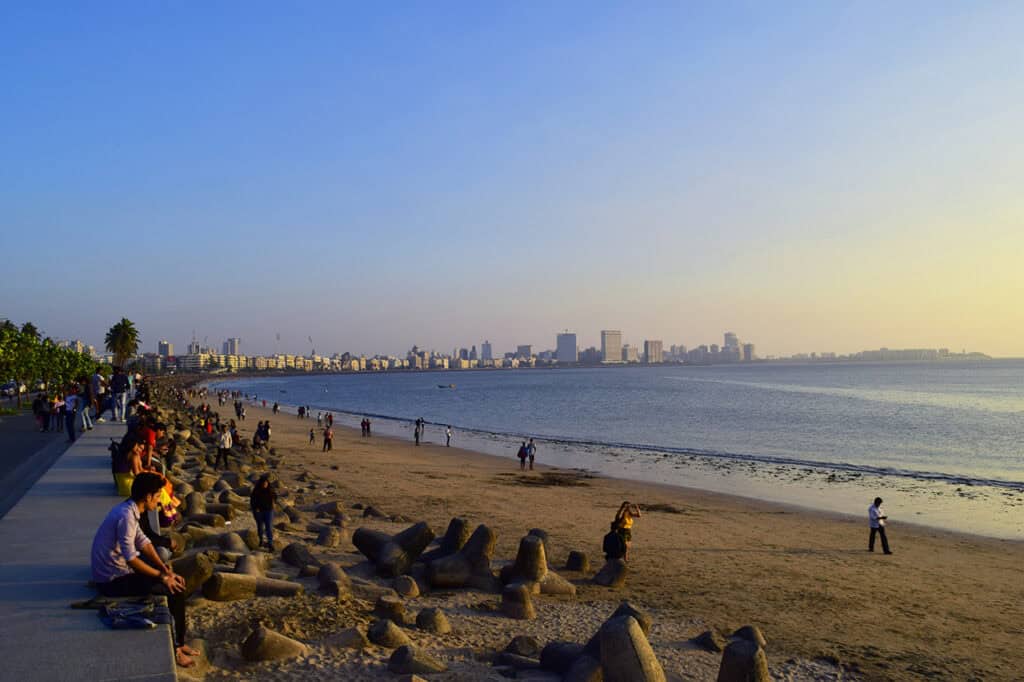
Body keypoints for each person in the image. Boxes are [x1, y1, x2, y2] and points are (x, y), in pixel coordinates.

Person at [90, 472, 199, 668]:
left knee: (174, 579)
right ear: (148, 497)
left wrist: (165, 569)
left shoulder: (130, 510)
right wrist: (162, 577)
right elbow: (131, 558)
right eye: (157, 496)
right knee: (175, 590)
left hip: (117, 571)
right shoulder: (126, 516)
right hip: (112, 581)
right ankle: (177, 647)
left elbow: (144, 543)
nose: (158, 501)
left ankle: (180, 642)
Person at [250, 474, 277, 549]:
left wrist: (274, 502)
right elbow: (252, 501)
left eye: (266, 483)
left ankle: (270, 543)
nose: (265, 484)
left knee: (269, 527)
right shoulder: (256, 491)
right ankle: (261, 540)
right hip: (259, 512)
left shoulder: (270, 490)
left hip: (269, 511)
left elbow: (275, 497)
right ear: (261, 483)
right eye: (263, 483)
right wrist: (255, 509)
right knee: (260, 527)